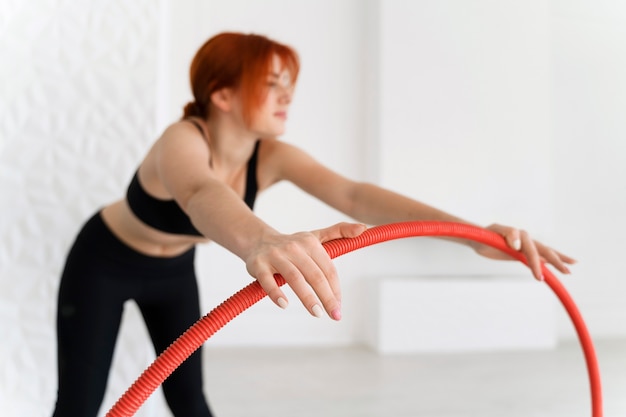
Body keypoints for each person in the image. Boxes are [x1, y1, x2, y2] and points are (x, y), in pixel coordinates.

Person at [51, 32, 575, 417]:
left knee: (191, 403)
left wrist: (470, 236)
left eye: (289, 84)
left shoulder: (271, 155)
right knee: (79, 404)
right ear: (223, 95)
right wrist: (261, 239)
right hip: (104, 262)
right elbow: (199, 192)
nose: (287, 96)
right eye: (271, 83)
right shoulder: (181, 141)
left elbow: (353, 195)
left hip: (174, 273)